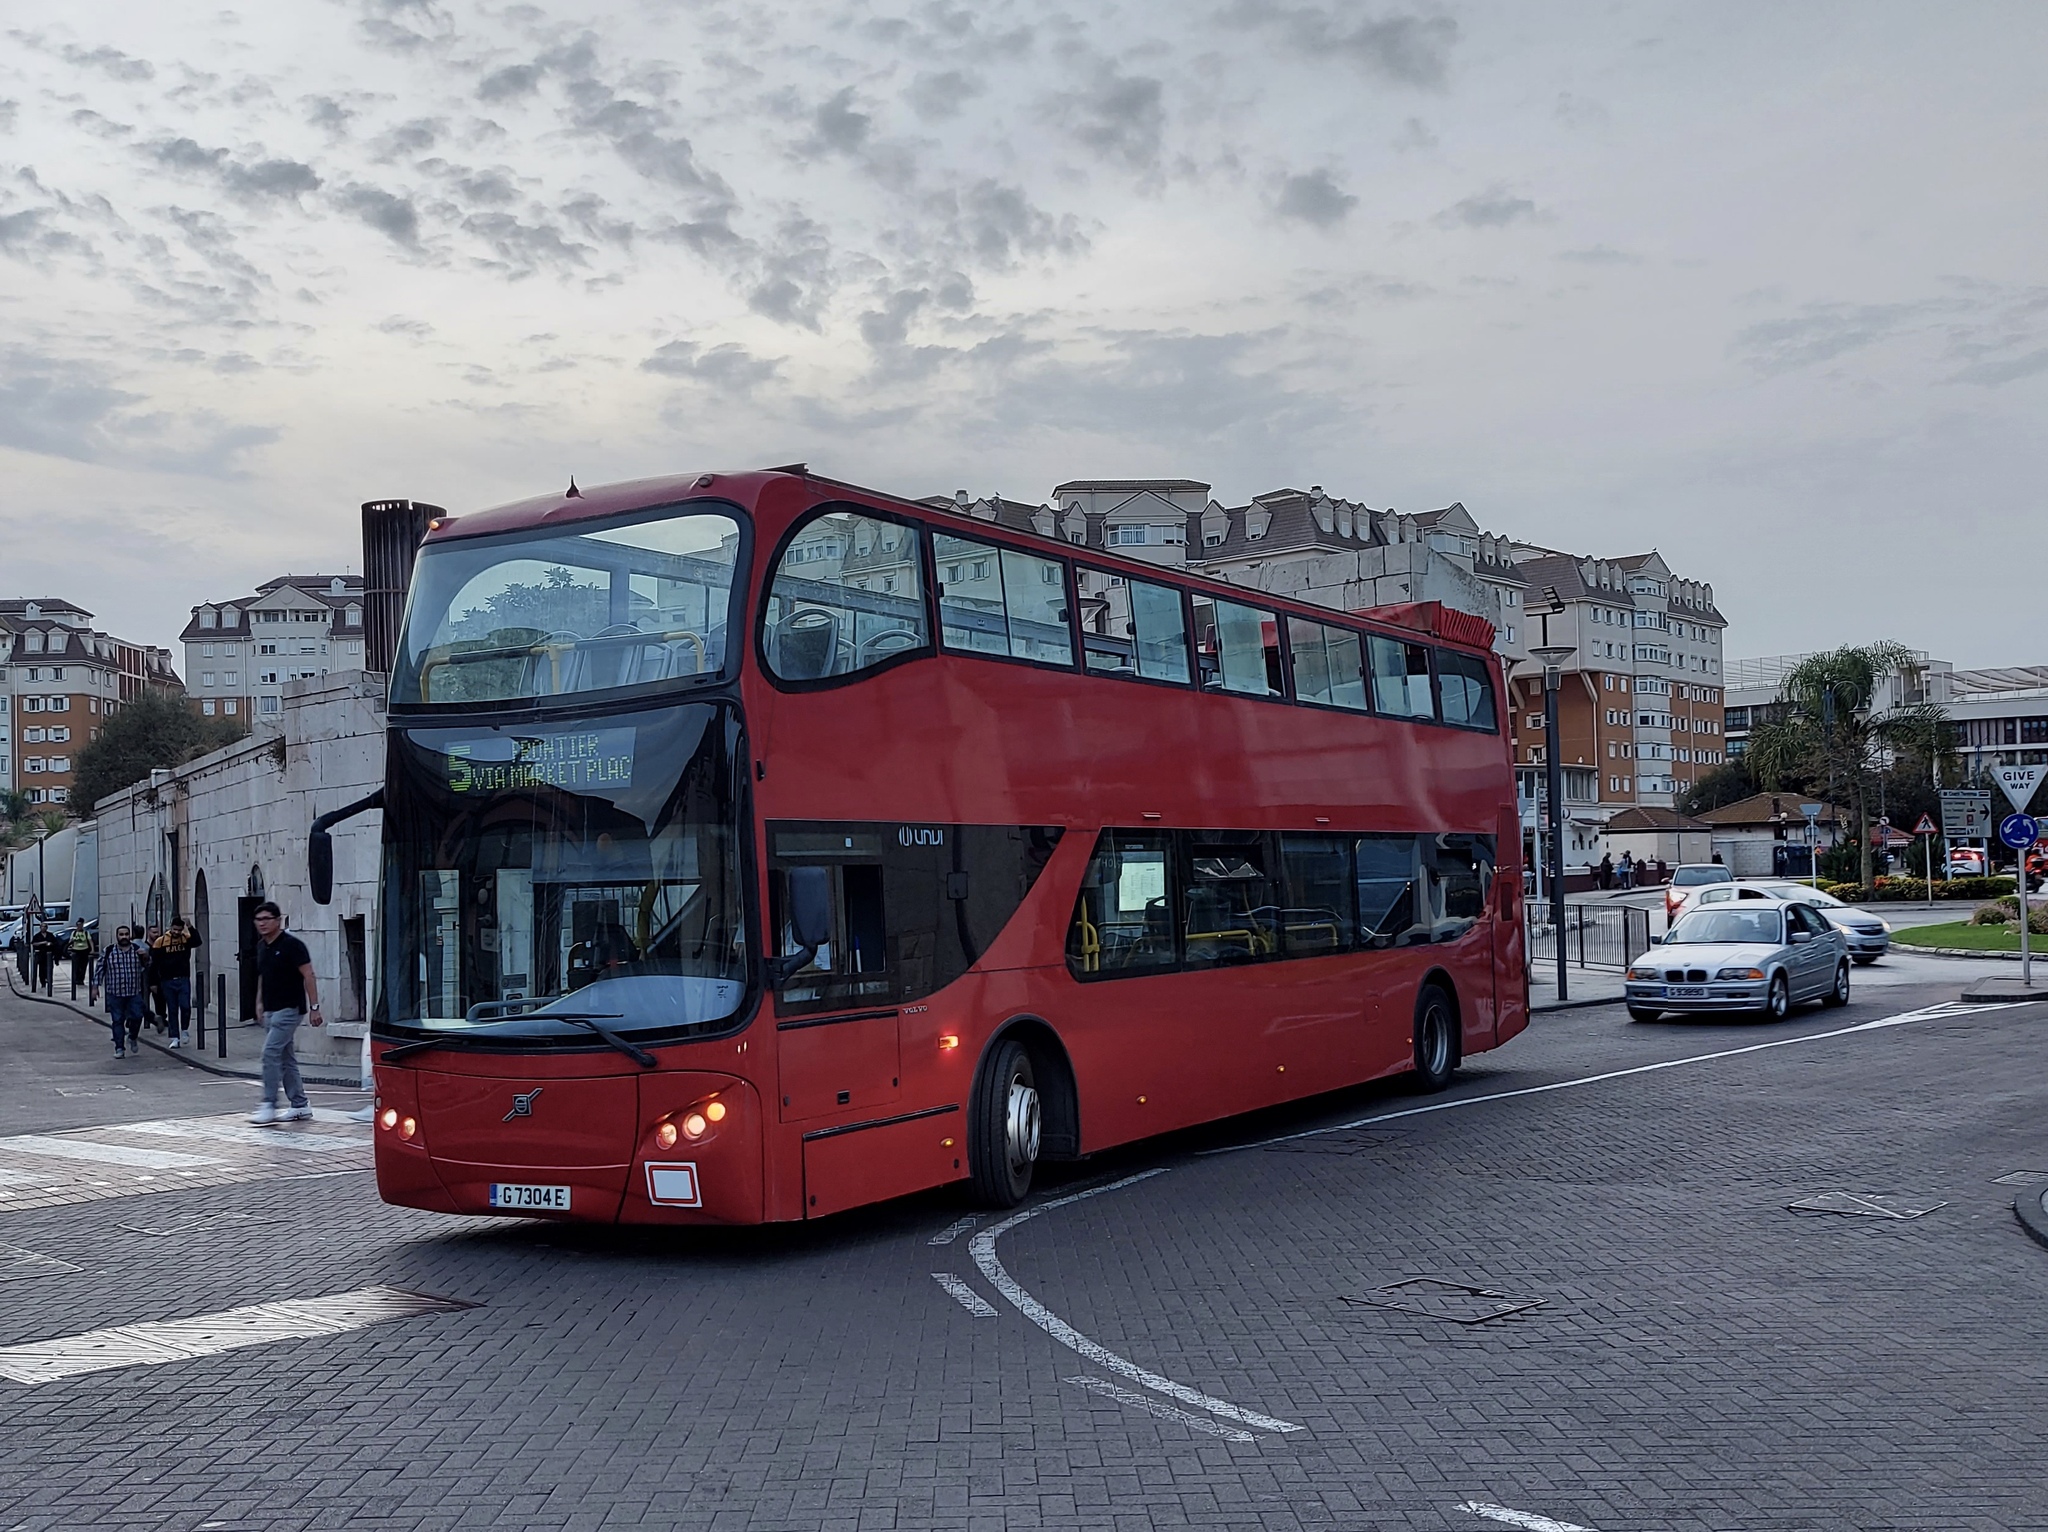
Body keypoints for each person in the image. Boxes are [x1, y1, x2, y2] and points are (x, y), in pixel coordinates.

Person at [250, 901, 323, 1125]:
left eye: (266, 919)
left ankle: (269, 1104)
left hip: (290, 1009)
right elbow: (263, 975)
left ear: (277, 920)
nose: (262, 924)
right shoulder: (262, 946)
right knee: (285, 1058)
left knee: (269, 1053)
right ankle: (300, 1104)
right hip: (271, 1010)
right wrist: (259, 1002)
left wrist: (314, 1008)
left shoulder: (292, 945)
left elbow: (309, 975)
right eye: (258, 920)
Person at [96, 926, 150, 1059]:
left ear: (130, 936)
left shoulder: (137, 950)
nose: (124, 937)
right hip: (115, 993)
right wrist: (95, 986)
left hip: (133, 992)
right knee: (117, 1020)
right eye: (121, 934)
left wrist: (146, 957)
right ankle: (119, 1048)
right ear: (117, 936)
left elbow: (147, 966)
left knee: (137, 1016)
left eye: (126, 934)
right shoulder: (109, 951)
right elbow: (100, 968)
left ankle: (132, 1036)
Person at [152, 919, 201, 1050]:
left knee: (185, 1006)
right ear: (170, 927)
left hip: (183, 978)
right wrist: (153, 982)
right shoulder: (161, 942)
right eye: (174, 929)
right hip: (167, 980)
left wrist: (190, 927)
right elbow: (154, 964)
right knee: (172, 1009)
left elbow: (197, 942)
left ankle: (184, 1029)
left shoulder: (185, 939)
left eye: (179, 930)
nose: (176, 932)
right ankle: (175, 1037)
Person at [67, 920, 93, 998]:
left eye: (81, 925)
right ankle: (76, 979)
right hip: (76, 950)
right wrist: (69, 946)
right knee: (76, 966)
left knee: (83, 966)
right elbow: (71, 941)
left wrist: (92, 949)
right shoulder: (74, 933)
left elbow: (90, 941)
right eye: (78, 925)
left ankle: (81, 979)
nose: (79, 927)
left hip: (84, 950)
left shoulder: (86, 933)